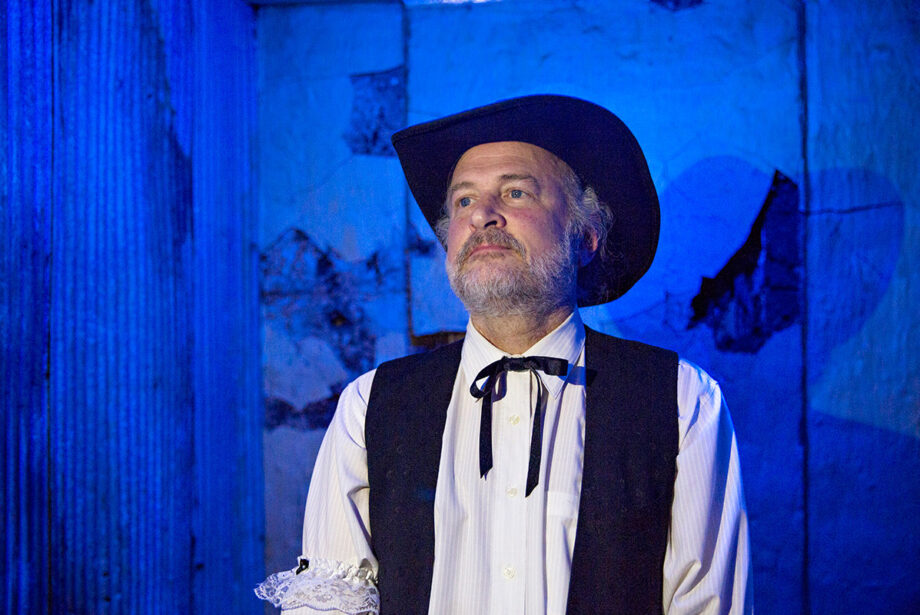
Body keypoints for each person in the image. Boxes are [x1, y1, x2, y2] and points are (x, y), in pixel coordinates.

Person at [256, 94, 752, 614]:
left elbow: (709, 606)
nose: (482, 216)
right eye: (463, 201)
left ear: (585, 236)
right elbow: (329, 605)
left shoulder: (680, 400)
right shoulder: (370, 404)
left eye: (515, 193)